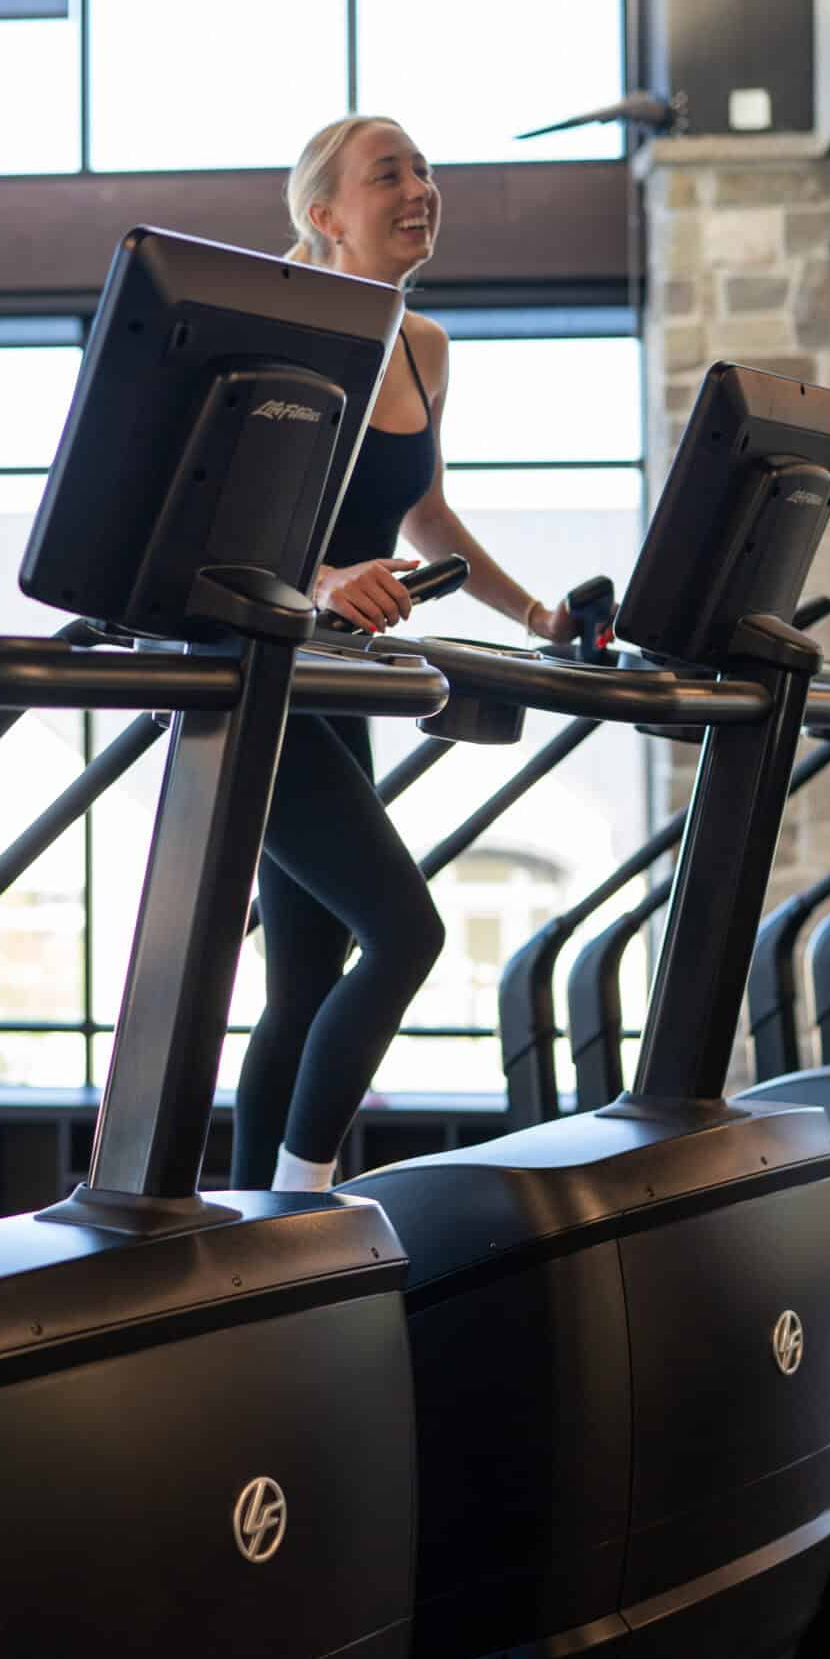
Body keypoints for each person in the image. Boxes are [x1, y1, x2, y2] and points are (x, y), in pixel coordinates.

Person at [230, 112, 573, 1193]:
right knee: (405, 932)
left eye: (426, 169)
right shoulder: (272, 327)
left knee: (303, 981)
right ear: (324, 216)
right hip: (254, 680)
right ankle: (299, 1196)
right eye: (391, 175)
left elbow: (422, 508)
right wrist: (324, 579)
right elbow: (224, 515)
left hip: (337, 685)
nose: (421, 187)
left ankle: (245, 1223)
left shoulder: (424, 348)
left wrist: (539, 618)